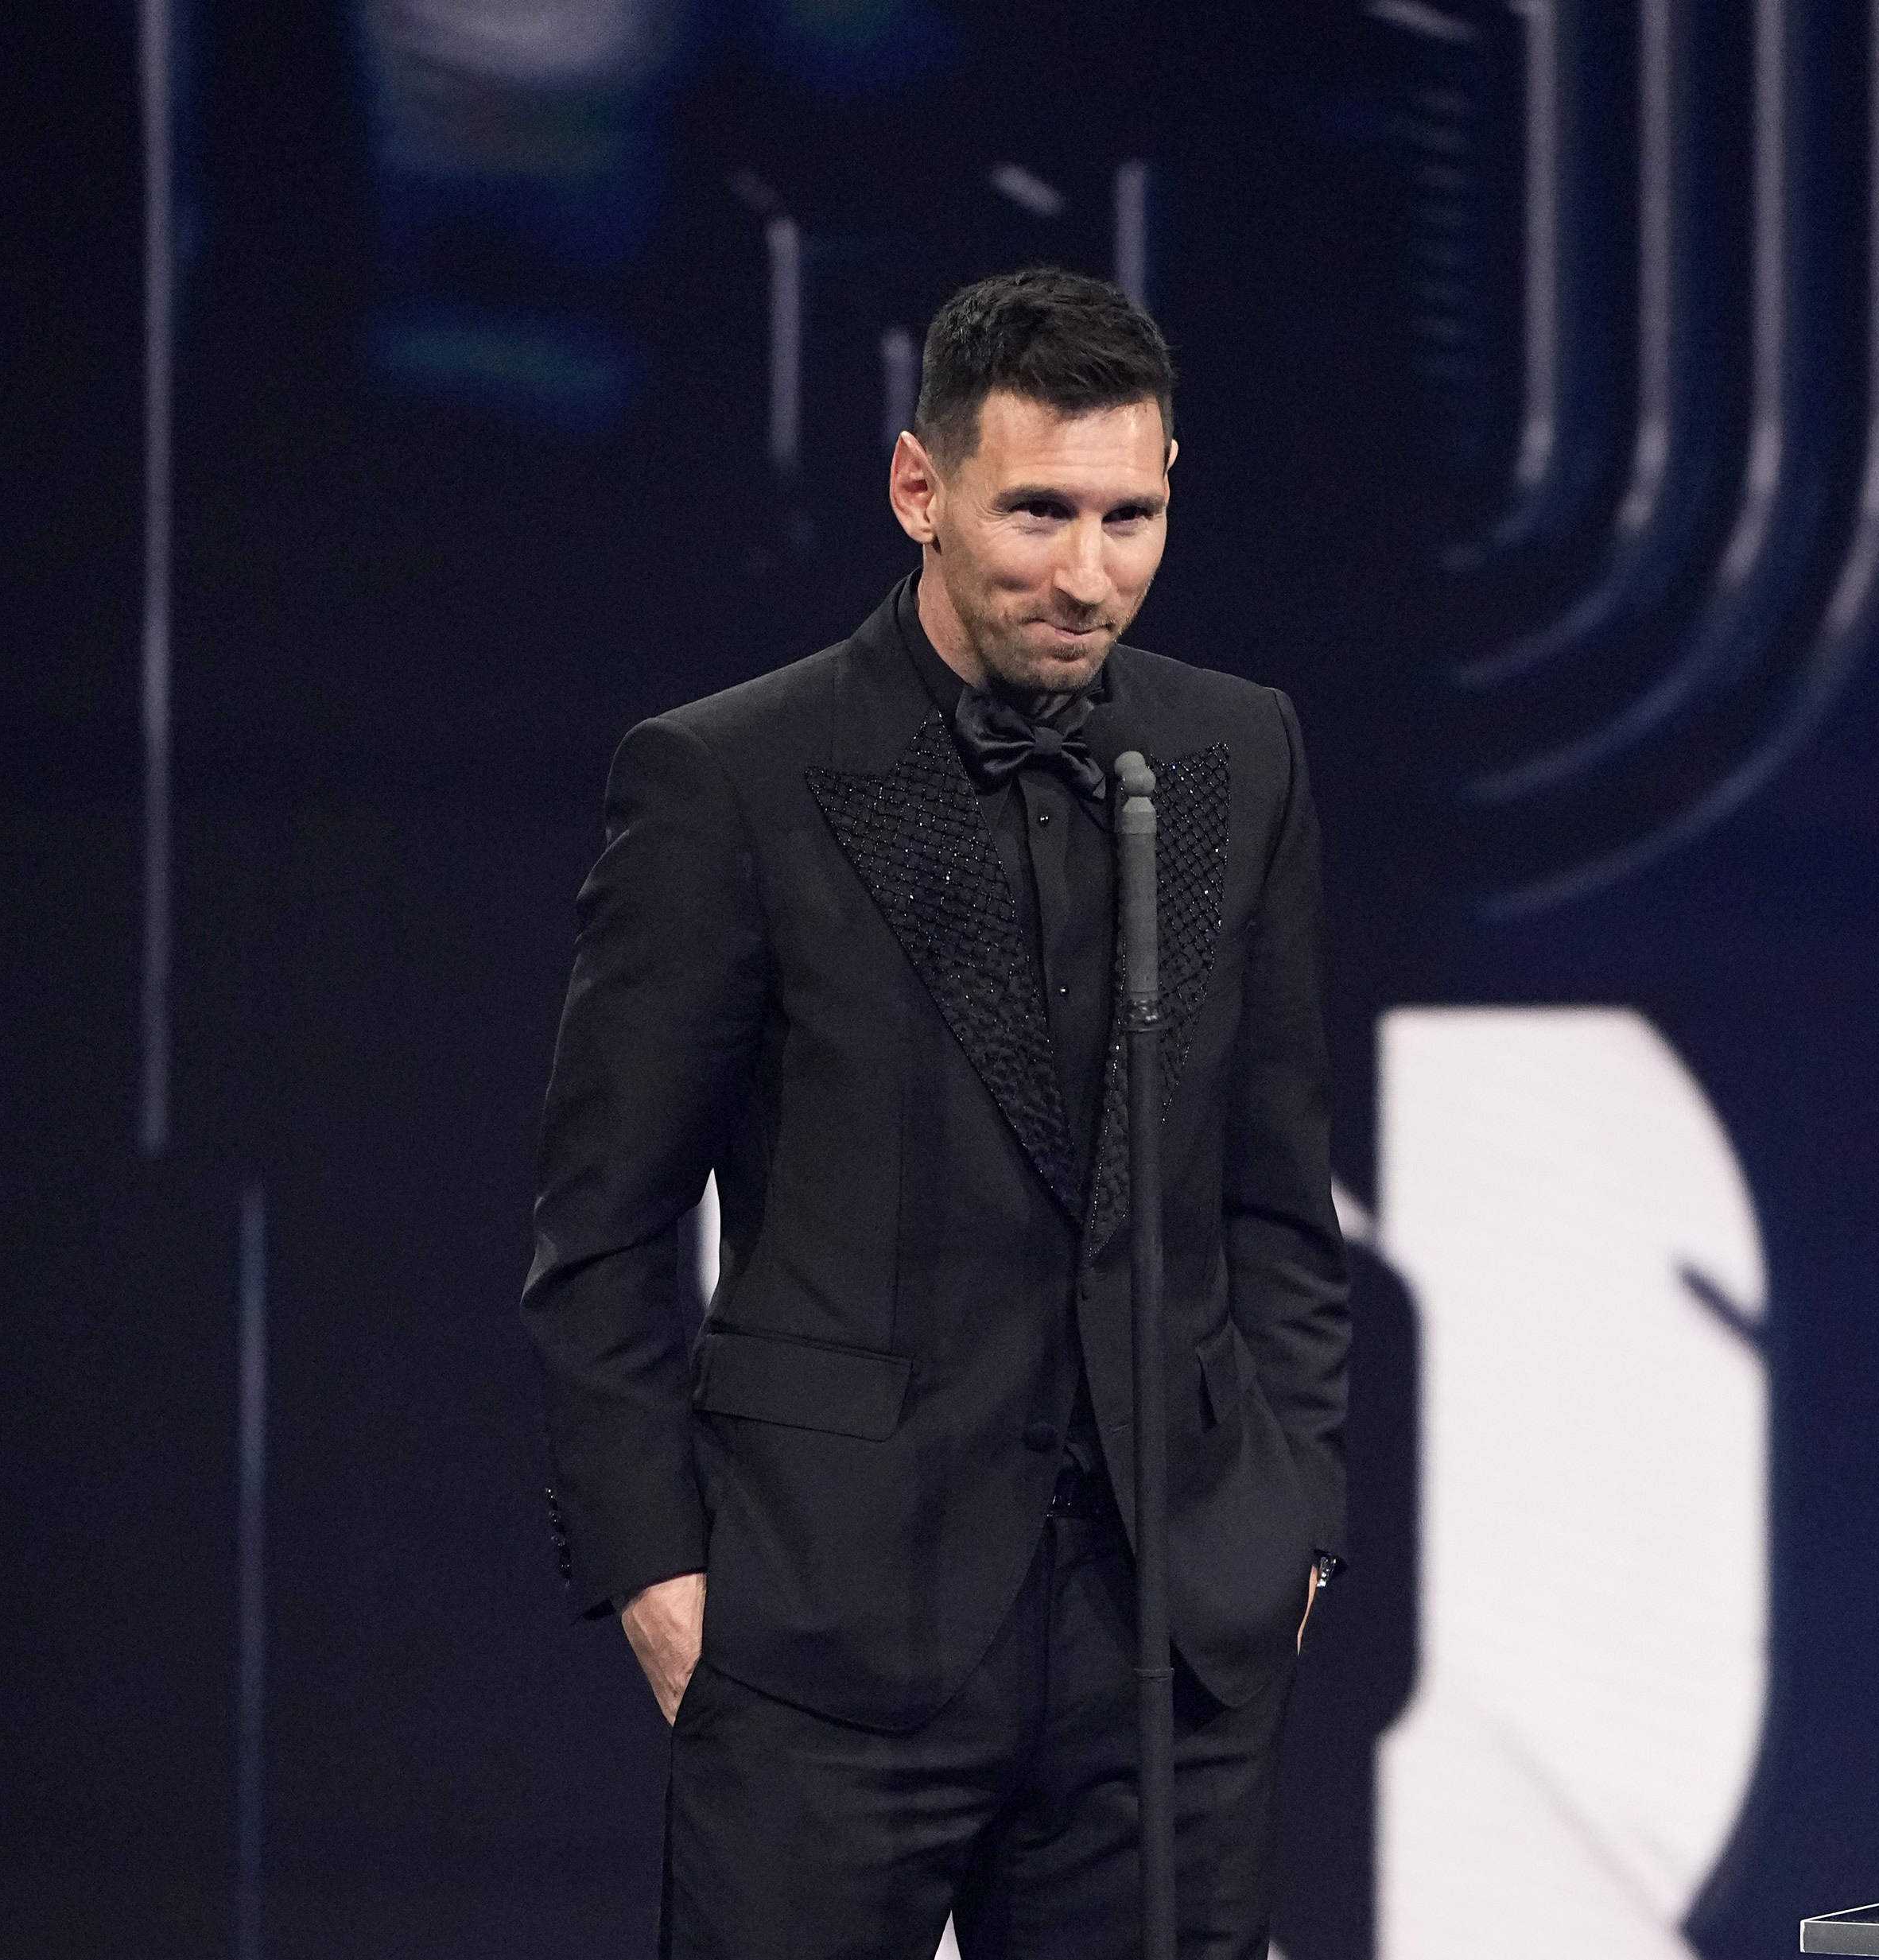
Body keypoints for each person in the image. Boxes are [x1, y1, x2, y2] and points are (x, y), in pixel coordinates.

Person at [520, 266, 1349, 1958]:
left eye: (1130, 515)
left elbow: (1276, 1183)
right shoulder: (727, 777)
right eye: (1037, 510)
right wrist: (654, 1569)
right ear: (922, 489)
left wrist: (1295, 1517)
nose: (1085, 571)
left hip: (1161, 1639)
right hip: (829, 1631)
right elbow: (600, 1227)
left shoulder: (1238, 752)